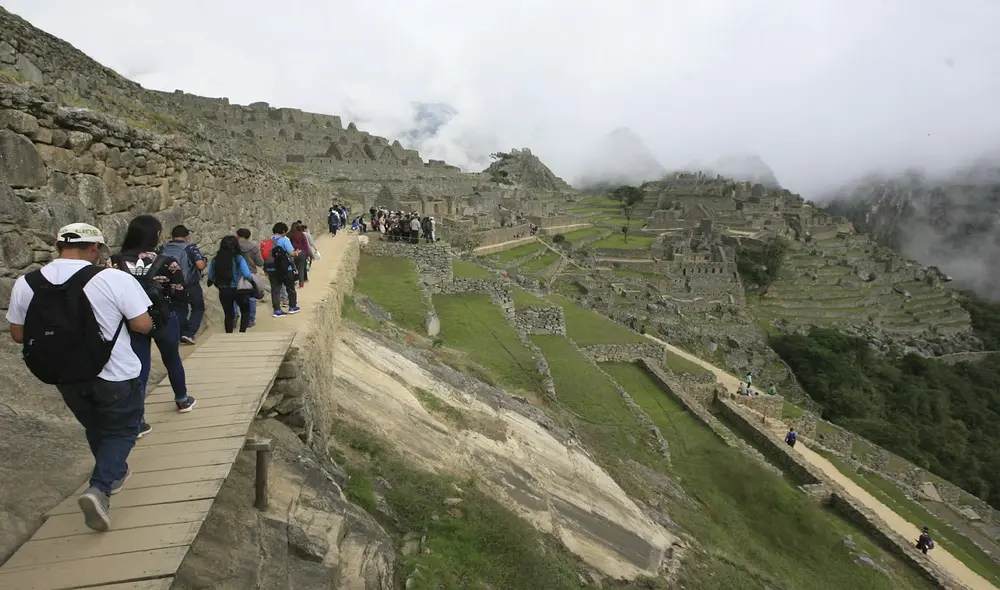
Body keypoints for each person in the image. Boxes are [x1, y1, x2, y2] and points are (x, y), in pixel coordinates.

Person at [6, 223, 154, 532]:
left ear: (59, 246)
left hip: (65, 374)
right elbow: (142, 325)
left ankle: (112, 472)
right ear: (95, 249)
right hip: (116, 374)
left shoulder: (27, 282)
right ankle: (100, 487)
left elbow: (18, 334)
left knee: (96, 426)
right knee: (122, 430)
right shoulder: (112, 278)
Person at [111, 215, 197, 439]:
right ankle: (182, 399)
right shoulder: (167, 261)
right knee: (172, 359)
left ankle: (137, 420)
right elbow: (180, 290)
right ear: (156, 235)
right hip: (163, 318)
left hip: (133, 319)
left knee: (138, 366)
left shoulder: (115, 261)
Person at [162, 225, 207, 345]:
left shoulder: (164, 247)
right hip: (189, 284)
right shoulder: (190, 247)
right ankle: (188, 333)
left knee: (179, 309)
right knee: (198, 308)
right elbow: (200, 265)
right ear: (187, 237)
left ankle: (178, 334)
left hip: (170, 284)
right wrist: (205, 260)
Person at [207, 236, 254, 333]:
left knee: (228, 314)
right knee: (245, 311)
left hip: (224, 290)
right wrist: (252, 281)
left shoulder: (216, 259)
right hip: (239, 289)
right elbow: (246, 274)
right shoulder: (238, 258)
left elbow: (211, 276)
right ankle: (242, 333)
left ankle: (228, 334)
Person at [262, 222, 301, 318]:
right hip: (285, 268)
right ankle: (292, 307)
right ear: (283, 231)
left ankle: (277, 310)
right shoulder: (284, 240)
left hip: (271, 268)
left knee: (275, 290)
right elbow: (291, 253)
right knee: (290, 288)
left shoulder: (268, 241)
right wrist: (296, 253)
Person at [235, 228, 265, 328]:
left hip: (236, 275)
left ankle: (234, 315)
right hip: (251, 274)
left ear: (237, 236)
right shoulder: (254, 247)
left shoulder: (233, 246)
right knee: (252, 297)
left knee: (234, 297)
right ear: (249, 236)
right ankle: (250, 320)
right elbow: (260, 262)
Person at [288, 221, 311, 287]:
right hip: (301, 253)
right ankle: (301, 283)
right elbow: (305, 246)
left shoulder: (289, 235)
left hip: (292, 253)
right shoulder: (302, 235)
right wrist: (308, 255)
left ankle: (293, 281)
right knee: (301, 269)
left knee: (292, 268)